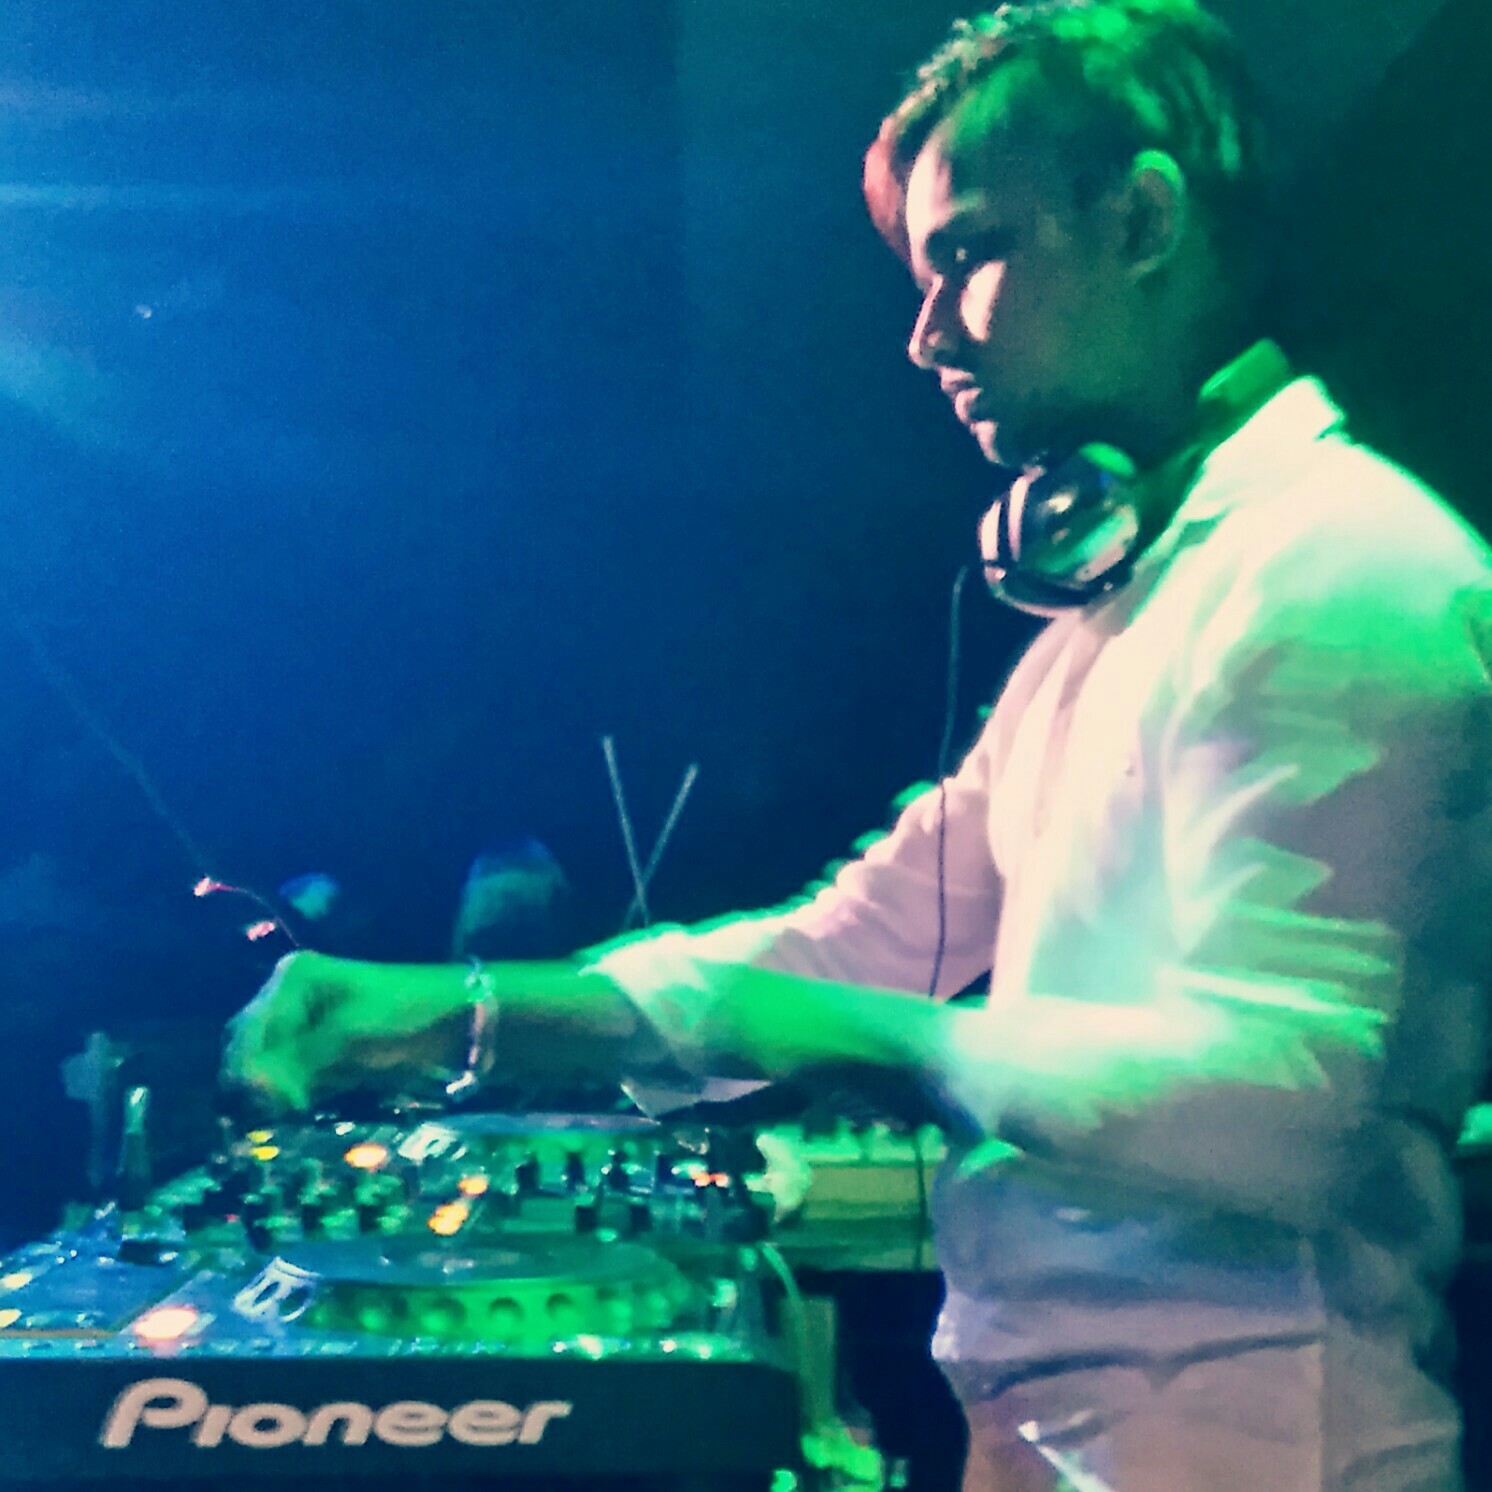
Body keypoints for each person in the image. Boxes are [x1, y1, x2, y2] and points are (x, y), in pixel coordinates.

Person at [224, 2, 1492, 1487]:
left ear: (1145, 220)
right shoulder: (1111, 618)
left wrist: (830, 1034)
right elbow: (845, 943)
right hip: (1082, 1431)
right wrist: (459, 1010)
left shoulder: (1346, 573)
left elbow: (1277, 1108)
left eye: (971, 252)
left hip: (1260, 1443)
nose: (927, 331)